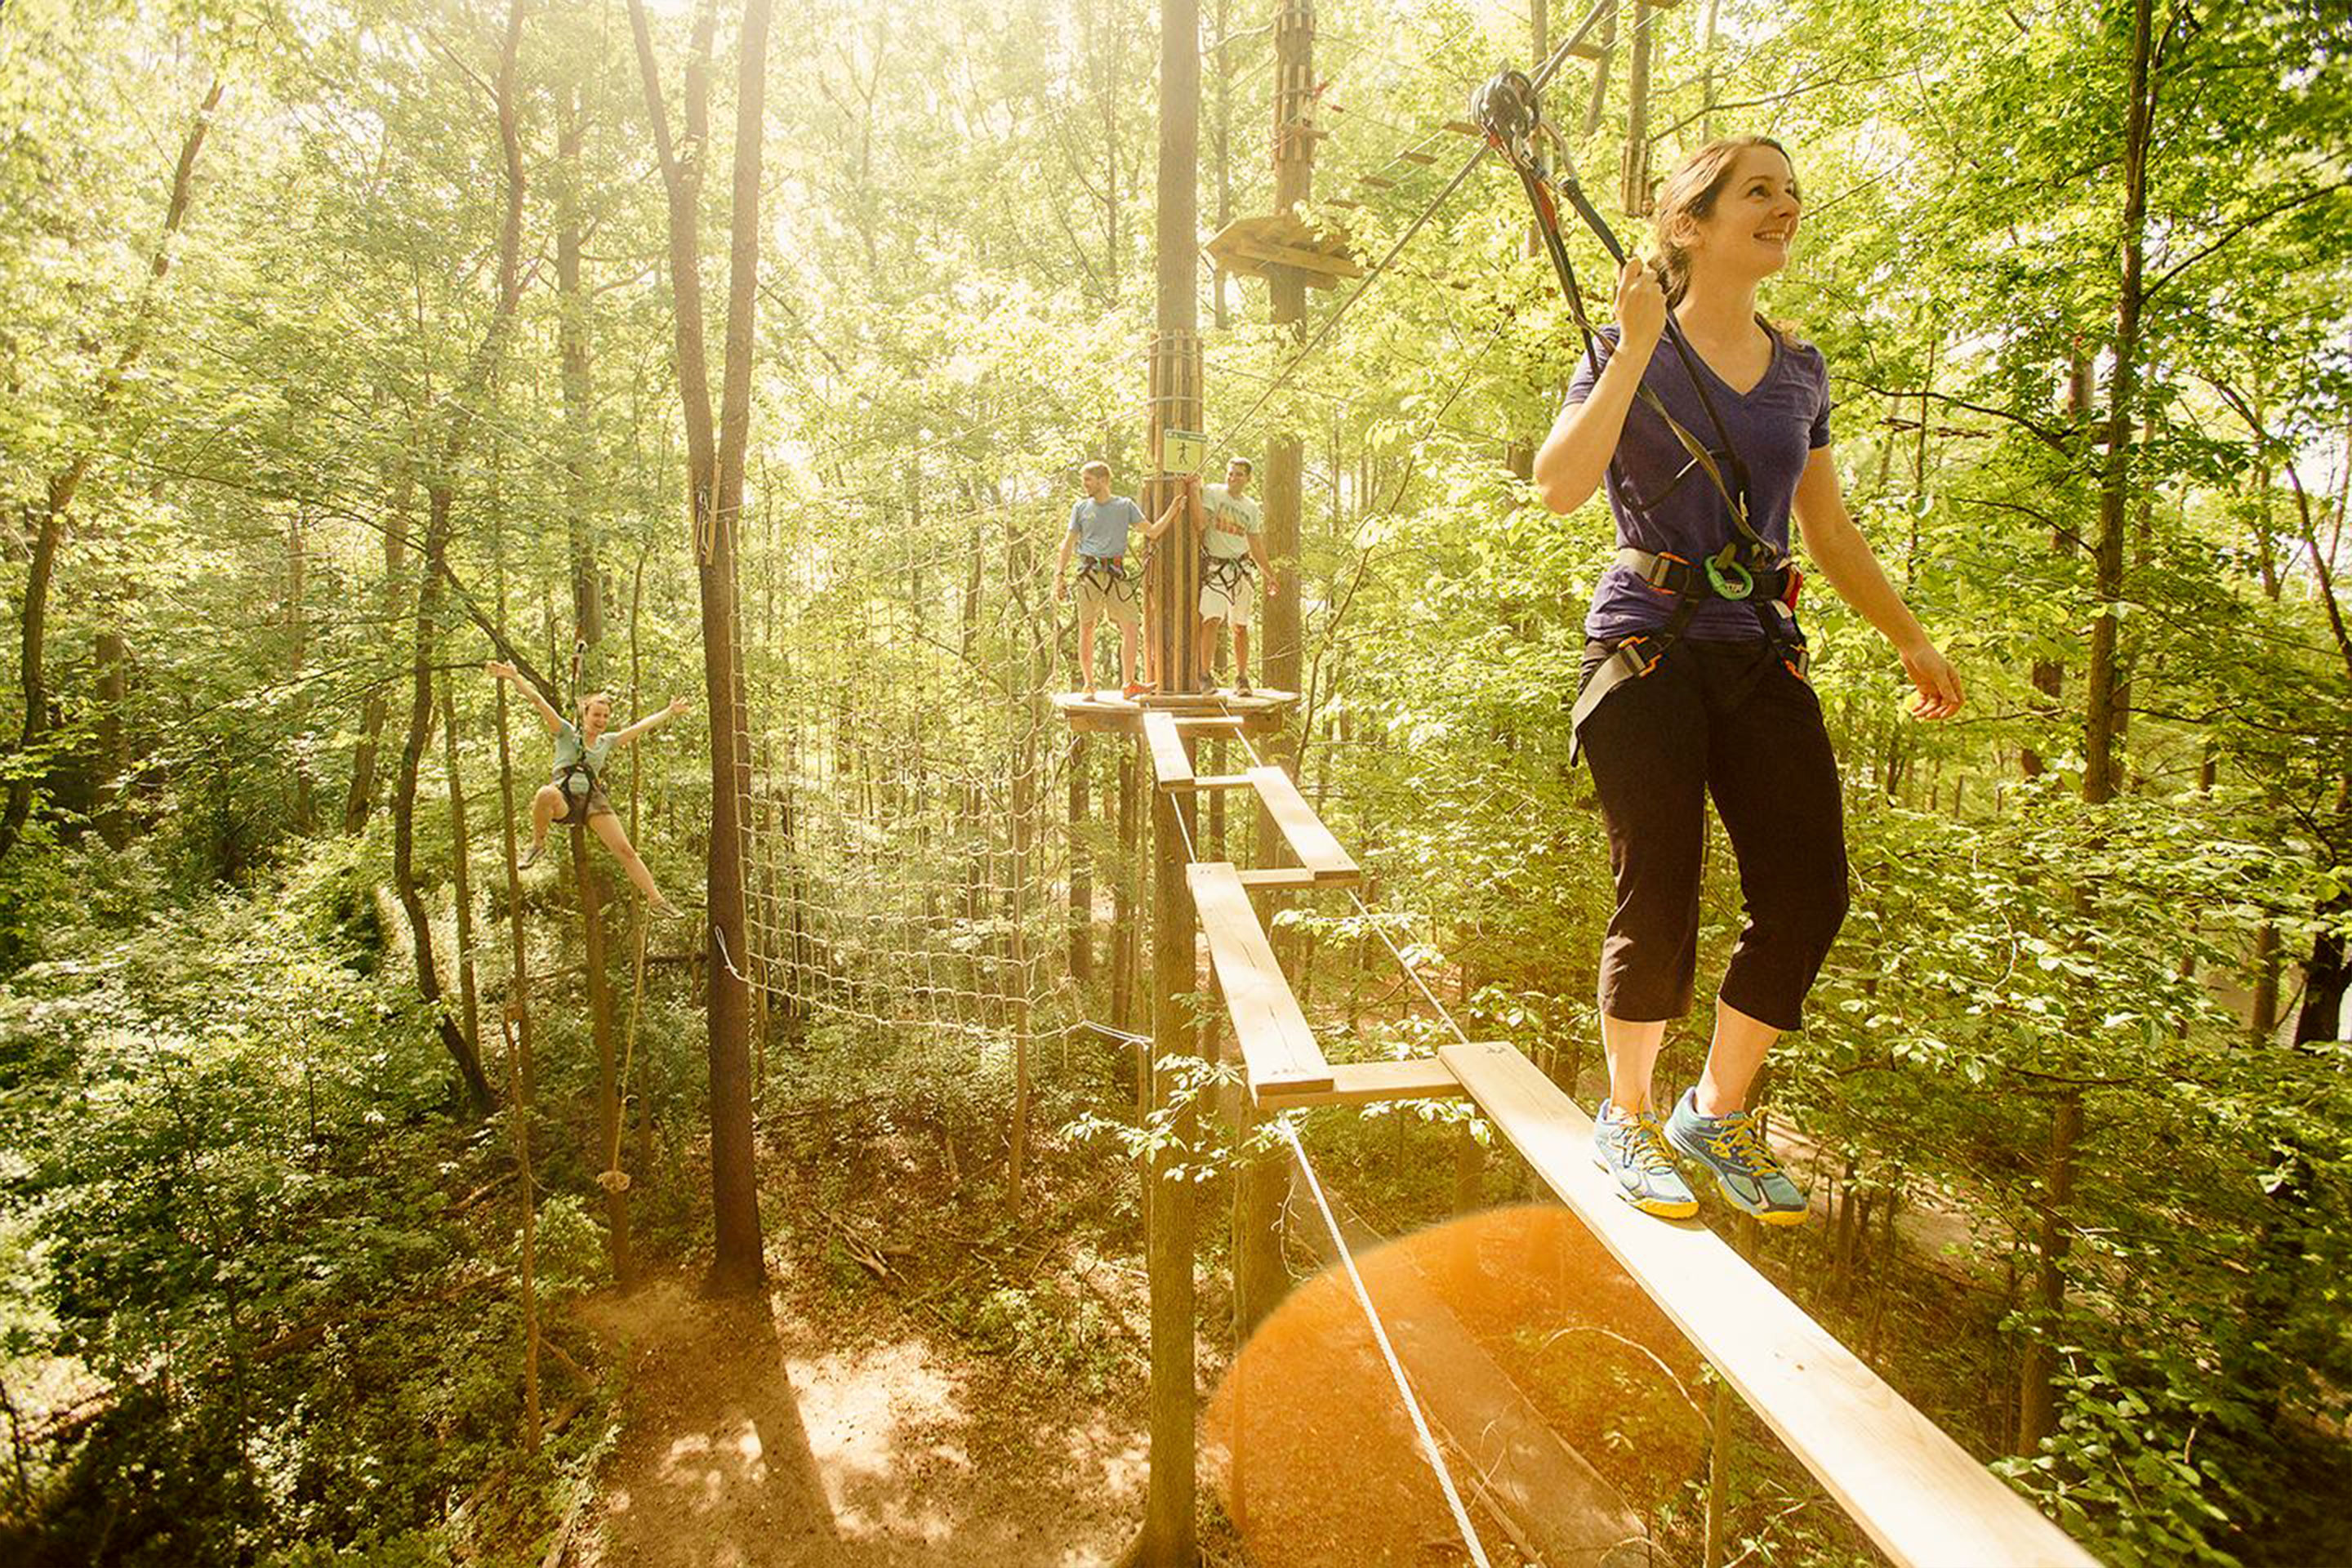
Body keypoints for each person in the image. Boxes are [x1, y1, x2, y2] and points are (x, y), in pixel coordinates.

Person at [1530, 136, 1963, 1225]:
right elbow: (1558, 488)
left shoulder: (1799, 370)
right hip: (1647, 648)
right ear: (1691, 224)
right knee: (1660, 887)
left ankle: (1712, 1115)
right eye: (1758, 192)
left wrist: (1911, 637)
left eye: (1789, 191)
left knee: (1811, 892)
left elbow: (1828, 529)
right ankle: (1624, 1117)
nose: (1786, 205)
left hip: (1760, 648)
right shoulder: (1625, 345)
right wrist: (1630, 349)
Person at [486, 661, 692, 917]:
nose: (601, 720)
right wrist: (515, 678)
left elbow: (640, 727)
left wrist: (669, 712)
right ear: (585, 715)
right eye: (596, 715)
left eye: (605, 716)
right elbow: (538, 701)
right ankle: (538, 844)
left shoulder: (607, 742)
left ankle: (657, 901)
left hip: (592, 800)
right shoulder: (565, 733)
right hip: (564, 797)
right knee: (544, 793)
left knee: (626, 851)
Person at [1054, 461, 1151, 699]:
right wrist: (1059, 575)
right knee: (1087, 627)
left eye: (1088, 479)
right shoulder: (1081, 508)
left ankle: (1129, 683)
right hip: (1089, 573)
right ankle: (1089, 685)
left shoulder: (1124, 505)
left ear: (1103, 480)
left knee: (1131, 625)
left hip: (1115, 573)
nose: (1084, 484)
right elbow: (1068, 543)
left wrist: (1175, 509)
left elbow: (1153, 530)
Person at [1187, 457, 1276, 693]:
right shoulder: (1214, 493)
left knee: (1240, 625)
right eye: (1230, 473)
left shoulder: (1251, 507)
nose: (1232, 477)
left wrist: (1269, 573)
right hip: (1216, 568)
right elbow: (1199, 523)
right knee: (1211, 620)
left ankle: (1242, 678)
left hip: (1241, 569)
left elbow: (1255, 543)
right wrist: (1194, 491)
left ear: (1248, 478)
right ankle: (1205, 675)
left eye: (1238, 474)